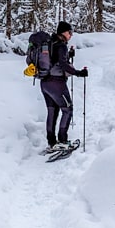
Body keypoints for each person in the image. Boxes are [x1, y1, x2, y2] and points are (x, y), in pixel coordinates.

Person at [40, 20, 88, 151]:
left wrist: (68, 54)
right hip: (57, 83)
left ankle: (51, 142)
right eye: (69, 32)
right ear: (63, 32)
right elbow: (63, 64)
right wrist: (78, 73)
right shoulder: (60, 46)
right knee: (68, 109)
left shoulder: (50, 43)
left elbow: (55, 59)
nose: (71, 35)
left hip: (45, 83)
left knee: (52, 111)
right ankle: (62, 140)